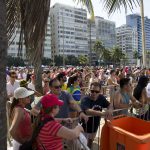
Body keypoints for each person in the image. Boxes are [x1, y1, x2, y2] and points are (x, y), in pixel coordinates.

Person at [81, 82, 112, 149]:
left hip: (95, 126)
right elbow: (87, 111)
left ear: (100, 91)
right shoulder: (85, 99)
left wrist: (109, 110)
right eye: (92, 91)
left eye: (96, 91)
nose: (94, 93)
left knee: (90, 143)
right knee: (83, 145)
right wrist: (102, 114)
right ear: (89, 90)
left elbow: (109, 105)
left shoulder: (101, 98)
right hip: (84, 127)